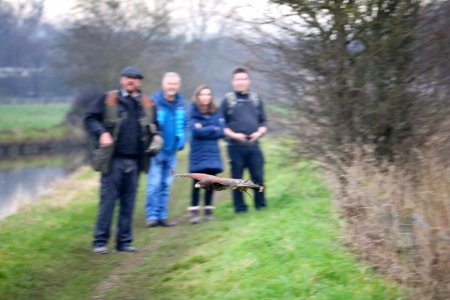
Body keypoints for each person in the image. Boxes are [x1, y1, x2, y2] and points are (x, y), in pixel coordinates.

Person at [85, 66, 160, 254]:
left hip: (135, 161)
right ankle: (100, 241)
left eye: (135, 78)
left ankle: (124, 242)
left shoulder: (148, 104)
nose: (131, 81)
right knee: (108, 202)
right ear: (121, 80)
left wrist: (157, 138)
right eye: (128, 77)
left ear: (140, 82)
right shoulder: (108, 99)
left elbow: (156, 127)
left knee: (129, 203)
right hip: (113, 160)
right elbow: (89, 119)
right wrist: (102, 133)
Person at [220, 67, 268, 213]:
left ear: (248, 81)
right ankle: (240, 208)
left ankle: (261, 205)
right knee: (238, 179)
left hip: (254, 144)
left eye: (244, 79)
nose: (241, 82)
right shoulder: (228, 100)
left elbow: (264, 122)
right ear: (233, 82)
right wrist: (235, 135)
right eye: (238, 79)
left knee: (258, 176)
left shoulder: (255, 99)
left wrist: (259, 133)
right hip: (235, 146)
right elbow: (221, 125)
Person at [145, 72, 187, 227]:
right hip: (157, 151)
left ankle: (162, 216)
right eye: (169, 83)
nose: (172, 87)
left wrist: (183, 139)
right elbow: (147, 124)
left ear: (178, 86)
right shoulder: (154, 102)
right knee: (154, 185)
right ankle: (151, 216)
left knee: (166, 185)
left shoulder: (182, 104)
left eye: (175, 84)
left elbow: (185, 125)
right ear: (164, 84)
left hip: (172, 152)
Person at [187, 85, 225, 224]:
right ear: (198, 96)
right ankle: (194, 214)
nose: (205, 97)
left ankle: (208, 212)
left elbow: (221, 132)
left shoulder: (216, 111)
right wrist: (212, 128)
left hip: (212, 152)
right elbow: (195, 131)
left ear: (211, 97)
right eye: (202, 94)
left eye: (208, 94)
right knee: (197, 182)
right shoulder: (192, 111)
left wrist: (204, 128)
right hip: (198, 152)